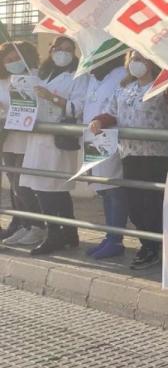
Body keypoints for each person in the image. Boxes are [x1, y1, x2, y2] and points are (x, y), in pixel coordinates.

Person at [89, 51, 168, 270]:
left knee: (156, 203)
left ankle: (158, 246)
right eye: (133, 59)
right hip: (130, 153)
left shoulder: (164, 87)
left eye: (141, 59)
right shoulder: (123, 89)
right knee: (136, 204)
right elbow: (111, 113)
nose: (136, 63)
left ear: (152, 61)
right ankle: (147, 244)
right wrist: (98, 121)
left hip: (158, 154)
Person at [19, 35, 89, 255]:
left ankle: (55, 234)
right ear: (51, 50)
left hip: (59, 139)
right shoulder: (42, 73)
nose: (63, 53)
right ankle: (69, 233)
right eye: (59, 48)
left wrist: (52, 97)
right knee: (48, 189)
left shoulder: (78, 76)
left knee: (51, 189)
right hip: (38, 137)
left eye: (69, 49)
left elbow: (77, 108)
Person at [81, 57, 129, 259]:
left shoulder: (119, 74)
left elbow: (114, 109)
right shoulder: (95, 77)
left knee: (114, 190)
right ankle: (109, 235)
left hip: (111, 138)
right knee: (103, 190)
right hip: (94, 138)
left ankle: (116, 239)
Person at [0, 41, 44, 247]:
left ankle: (37, 226)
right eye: (8, 60)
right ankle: (24, 225)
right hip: (9, 140)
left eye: (16, 58)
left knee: (23, 186)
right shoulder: (3, 80)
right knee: (15, 187)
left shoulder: (36, 76)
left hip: (28, 140)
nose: (13, 63)